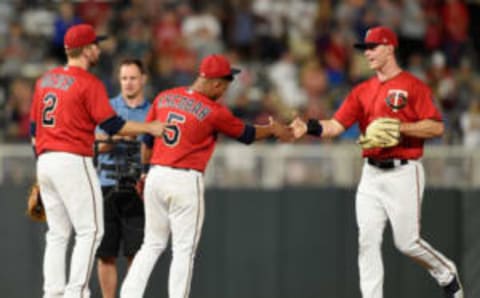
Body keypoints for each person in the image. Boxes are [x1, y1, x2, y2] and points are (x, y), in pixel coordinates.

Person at [290, 26, 463, 298]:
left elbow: (436, 127)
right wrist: (309, 128)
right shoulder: (361, 91)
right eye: (365, 48)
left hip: (404, 172)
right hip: (371, 175)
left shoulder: (413, 86)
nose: (367, 53)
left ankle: (446, 272)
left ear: (389, 48)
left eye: (372, 47)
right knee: (367, 242)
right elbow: (335, 125)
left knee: (406, 243)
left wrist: (401, 128)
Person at [120, 54, 292, 298]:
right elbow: (247, 134)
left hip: (156, 175)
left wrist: (145, 173)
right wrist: (273, 129)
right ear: (214, 83)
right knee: (183, 250)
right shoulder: (213, 110)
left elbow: (147, 141)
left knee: (151, 244)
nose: (224, 90)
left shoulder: (164, 97)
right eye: (224, 84)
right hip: (184, 180)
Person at [29, 24, 167, 298]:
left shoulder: (45, 80)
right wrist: (149, 128)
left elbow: (34, 132)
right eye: (96, 45)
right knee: (91, 230)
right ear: (87, 49)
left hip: (45, 160)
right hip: (72, 159)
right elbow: (113, 124)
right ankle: (75, 293)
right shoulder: (88, 82)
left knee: (57, 233)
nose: (99, 49)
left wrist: (40, 174)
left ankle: (53, 293)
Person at [95, 58, 150, 298]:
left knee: (135, 252)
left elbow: (157, 146)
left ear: (143, 79)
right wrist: (118, 138)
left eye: (133, 78)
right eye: (124, 78)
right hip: (107, 185)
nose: (128, 83)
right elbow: (94, 142)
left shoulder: (152, 110)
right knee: (105, 253)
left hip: (137, 186)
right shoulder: (107, 107)